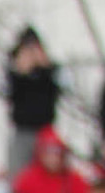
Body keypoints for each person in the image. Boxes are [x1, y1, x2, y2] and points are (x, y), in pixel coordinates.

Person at [4, 27, 64, 176]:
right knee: (20, 174)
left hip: (46, 132)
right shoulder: (13, 74)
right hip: (22, 131)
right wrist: (21, 72)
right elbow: (10, 95)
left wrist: (45, 69)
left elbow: (57, 92)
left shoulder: (50, 72)